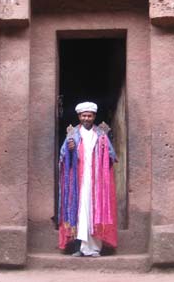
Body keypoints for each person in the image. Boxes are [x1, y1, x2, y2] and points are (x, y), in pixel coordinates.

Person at [58, 101, 117, 257]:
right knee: (79, 212)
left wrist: (104, 150)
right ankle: (78, 248)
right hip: (78, 181)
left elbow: (112, 156)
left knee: (94, 211)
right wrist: (70, 150)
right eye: (83, 115)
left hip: (96, 181)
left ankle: (95, 248)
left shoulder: (101, 135)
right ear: (79, 116)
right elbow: (63, 156)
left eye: (89, 116)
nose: (86, 118)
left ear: (94, 116)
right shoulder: (72, 134)